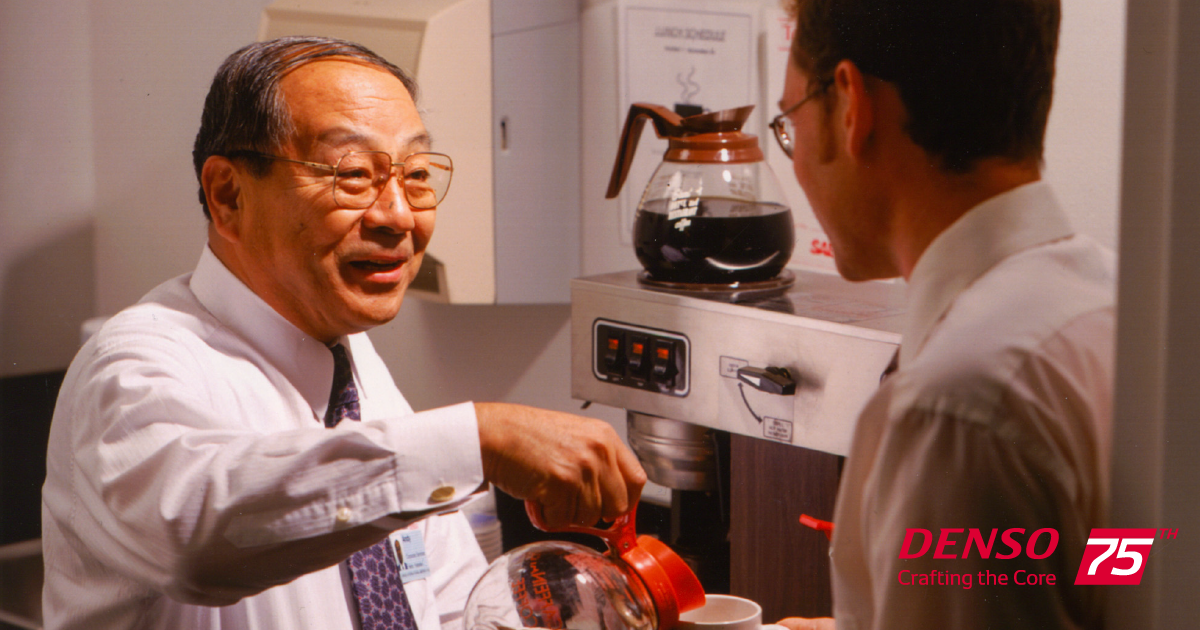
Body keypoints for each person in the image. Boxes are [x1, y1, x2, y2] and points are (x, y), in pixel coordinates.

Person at [41, 36, 646, 630]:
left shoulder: (352, 365)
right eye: (353, 174)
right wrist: (480, 440)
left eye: (416, 174)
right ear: (227, 196)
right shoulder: (134, 363)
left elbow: (446, 600)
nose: (399, 216)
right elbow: (194, 537)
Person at [770, 1, 1113, 628]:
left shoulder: (957, 410)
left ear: (851, 107)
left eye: (789, 122)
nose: (794, 158)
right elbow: (1107, 580)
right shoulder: (1116, 309)